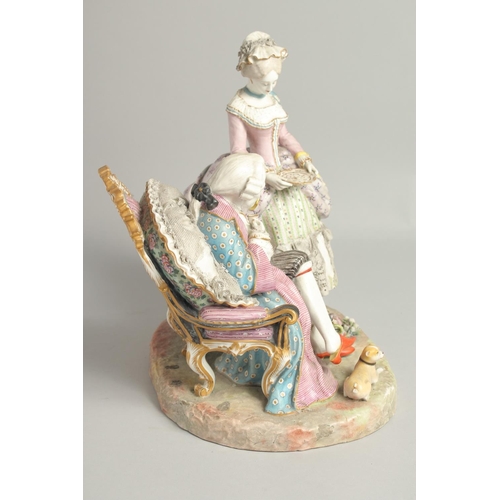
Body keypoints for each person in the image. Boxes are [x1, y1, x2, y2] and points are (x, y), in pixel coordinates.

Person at [189, 153, 353, 415]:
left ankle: (327, 338)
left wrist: (252, 235)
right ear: (245, 190)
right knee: (294, 300)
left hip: (246, 276)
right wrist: (259, 245)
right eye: (260, 189)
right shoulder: (217, 224)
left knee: (299, 262)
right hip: (240, 292)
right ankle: (322, 346)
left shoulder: (222, 210)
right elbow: (245, 279)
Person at [223, 31, 337, 296]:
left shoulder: (273, 100)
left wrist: (302, 158)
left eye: (274, 81)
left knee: (306, 221)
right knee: (263, 230)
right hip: (258, 172)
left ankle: (309, 292)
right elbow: (238, 151)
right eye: (266, 82)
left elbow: (284, 135)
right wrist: (266, 176)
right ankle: (282, 294)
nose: (271, 87)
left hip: (285, 170)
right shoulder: (238, 106)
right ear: (251, 76)